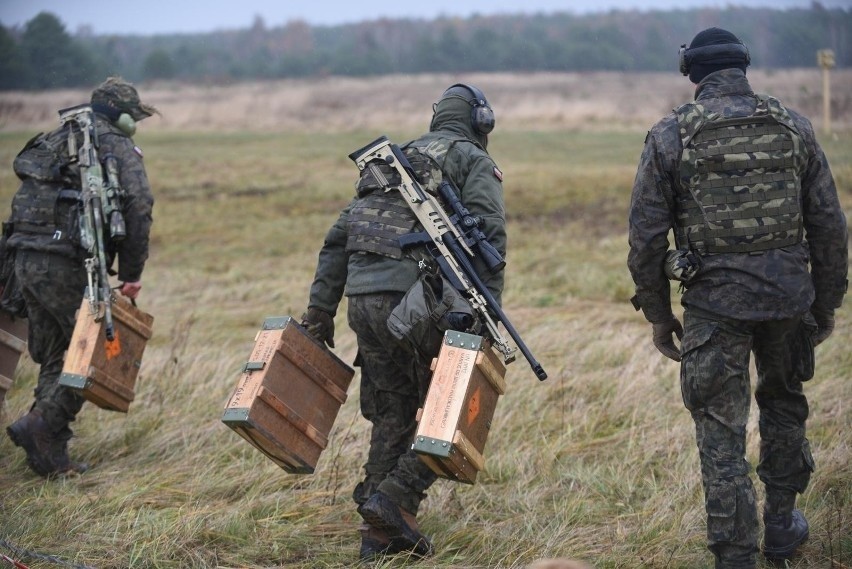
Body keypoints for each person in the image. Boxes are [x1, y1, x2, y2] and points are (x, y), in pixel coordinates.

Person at [627, 28, 848, 568]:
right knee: (783, 406)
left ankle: (735, 553)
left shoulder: (670, 134)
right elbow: (829, 227)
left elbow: (646, 238)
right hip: (788, 301)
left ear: (692, 73)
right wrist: (826, 305)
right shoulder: (795, 127)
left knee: (720, 430)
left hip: (715, 309)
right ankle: (779, 524)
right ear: (743, 67)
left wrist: (659, 316)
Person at [301, 83, 506, 562]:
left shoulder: (391, 161)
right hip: (417, 303)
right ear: (483, 121)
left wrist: (320, 311)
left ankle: (378, 534)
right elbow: (490, 243)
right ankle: (397, 499)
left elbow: (337, 239)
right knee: (450, 407)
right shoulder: (472, 160)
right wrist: (485, 318)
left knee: (393, 410)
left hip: (362, 301)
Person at [4, 77, 156, 478]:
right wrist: (132, 273)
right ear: (123, 116)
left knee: (59, 353)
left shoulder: (56, 139)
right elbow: (139, 205)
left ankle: (51, 457)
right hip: (69, 262)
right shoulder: (114, 145)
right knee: (90, 356)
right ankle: (40, 425)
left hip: (24, 260)